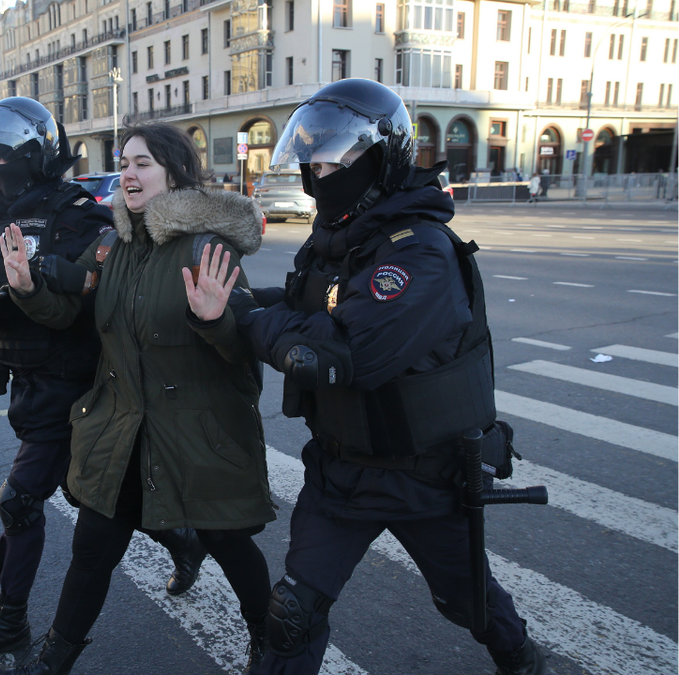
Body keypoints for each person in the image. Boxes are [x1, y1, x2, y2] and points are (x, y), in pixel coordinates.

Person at [205, 78, 545, 675]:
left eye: (334, 157)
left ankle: (519, 657)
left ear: (380, 157)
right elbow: (299, 302)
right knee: (293, 615)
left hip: (425, 477)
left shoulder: (418, 252)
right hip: (343, 472)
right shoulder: (338, 241)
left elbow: (344, 353)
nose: (318, 171)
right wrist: (225, 297)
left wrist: (246, 319)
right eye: (313, 157)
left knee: (469, 602)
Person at [0, 122, 275, 675]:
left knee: (227, 541)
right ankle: (51, 663)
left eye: (142, 163)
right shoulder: (114, 243)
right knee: (93, 549)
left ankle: (267, 637)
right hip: (124, 428)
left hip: (196, 435)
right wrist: (27, 288)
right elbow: (74, 315)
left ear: (174, 172)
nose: (128, 174)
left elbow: (243, 348)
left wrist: (215, 320)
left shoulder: (205, 246)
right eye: (124, 162)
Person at [0, 99, 208, 667]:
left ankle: (11, 622)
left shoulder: (76, 212)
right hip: (28, 383)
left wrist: (29, 292)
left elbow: (96, 293)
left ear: (32, 155)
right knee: (96, 496)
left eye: (4, 151)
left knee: (20, 501)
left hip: (80, 384)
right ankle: (182, 538)